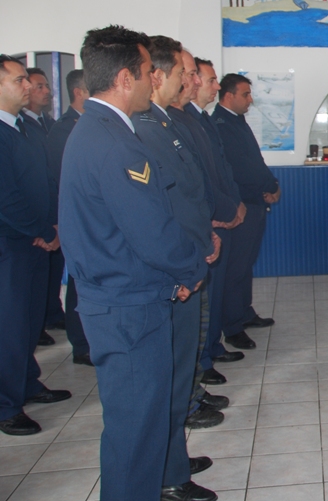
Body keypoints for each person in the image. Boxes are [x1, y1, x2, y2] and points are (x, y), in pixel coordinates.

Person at [59, 25, 215, 501]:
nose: (155, 80)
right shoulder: (115, 143)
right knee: (135, 433)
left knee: (139, 427)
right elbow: (151, 231)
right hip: (128, 308)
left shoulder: (97, 131)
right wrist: (191, 270)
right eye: (149, 71)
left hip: (123, 297)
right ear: (126, 79)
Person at [133, 36, 223, 497]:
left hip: (190, 255)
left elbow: (192, 190)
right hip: (176, 269)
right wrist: (191, 255)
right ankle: (169, 476)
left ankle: (173, 463)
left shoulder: (166, 120)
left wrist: (205, 235)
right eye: (184, 73)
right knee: (168, 379)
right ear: (157, 76)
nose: (189, 80)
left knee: (179, 369)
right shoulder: (145, 127)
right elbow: (164, 207)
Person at [0, 55, 69, 437]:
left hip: (36, 240)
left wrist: (53, 224)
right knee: (9, 327)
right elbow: (6, 198)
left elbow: (45, 180)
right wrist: (41, 229)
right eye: (18, 80)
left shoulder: (24, 128)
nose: (27, 86)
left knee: (27, 322)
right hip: (11, 244)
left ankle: (26, 383)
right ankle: (6, 405)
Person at [169, 51, 246, 388]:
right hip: (205, 222)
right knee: (203, 299)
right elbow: (195, 182)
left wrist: (234, 205)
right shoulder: (177, 120)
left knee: (213, 295)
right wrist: (221, 212)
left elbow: (221, 170)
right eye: (206, 78)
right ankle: (202, 360)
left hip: (217, 215)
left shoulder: (198, 120)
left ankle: (209, 349)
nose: (211, 85)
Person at [213, 73, 278, 350]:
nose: (250, 100)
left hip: (255, 202)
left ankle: (244, 312)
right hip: (242, 205)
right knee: (235, 269)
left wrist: (273, 184)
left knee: (246, 264)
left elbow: (256, 161)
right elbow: (239, 169)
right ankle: (232, 326)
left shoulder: (237, 121)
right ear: (229, 96)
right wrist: (266, 188)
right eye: (245, 94)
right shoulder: (220, 125)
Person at [43, 68, 92, 365]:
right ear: (79, 92)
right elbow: (64, 179)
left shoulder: (88, 124)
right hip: (77, 217)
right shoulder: (65, 129)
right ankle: (81, 344)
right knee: (78, 283)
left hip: (91, 217)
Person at [20, 67, 64, 344]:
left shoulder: (46, 123)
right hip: (26, 228)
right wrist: (42, 228)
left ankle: (50, 313)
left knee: (51, 273)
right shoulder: (17, 127)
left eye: (46, 86)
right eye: (39, 86)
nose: (46, 91)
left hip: (49, 217)